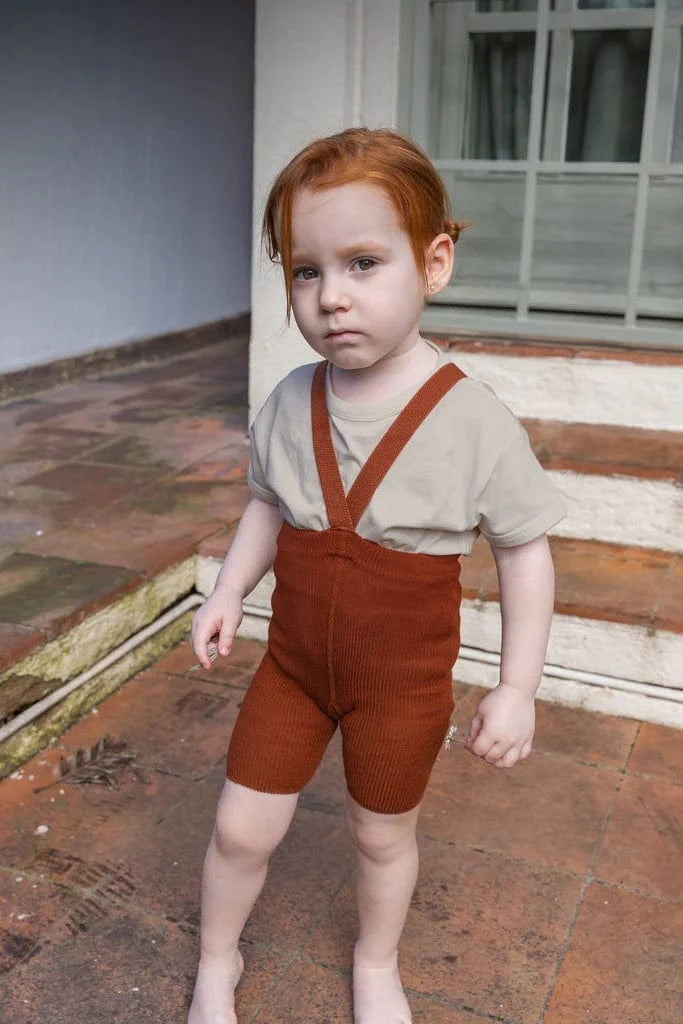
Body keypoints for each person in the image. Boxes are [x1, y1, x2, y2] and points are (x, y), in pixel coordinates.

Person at [187, 127, 566, 1024]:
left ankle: (375, 963)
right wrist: (229, 590)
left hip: (401, 686)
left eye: (362, 263)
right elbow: (268, 505)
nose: (331, 297)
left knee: (381, 836)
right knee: (240, 827)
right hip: (292, 670)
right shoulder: (290, 399)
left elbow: (523, 551)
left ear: (433, 264)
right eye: (306, 271)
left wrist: (517, 687)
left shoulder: (472, 419)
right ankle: (215, 962)